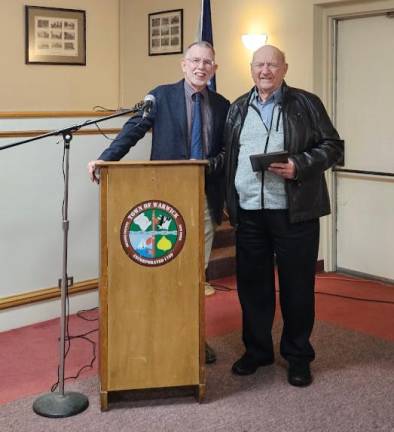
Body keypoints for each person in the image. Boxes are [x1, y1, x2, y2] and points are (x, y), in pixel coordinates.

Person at [88, 41, 230, 364]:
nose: (201, 67)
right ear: (183, 64)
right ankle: (162, 336)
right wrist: (105, 159)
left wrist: (209, 166)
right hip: (165, 204)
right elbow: (134, 129)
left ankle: (193, 339)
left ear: (215, 69)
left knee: (195, 277)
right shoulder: (161, 97)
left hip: (205, 200)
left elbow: (226, 152)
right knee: (166, 272)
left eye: (207, 62)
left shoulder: (223, 105)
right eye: (195, 60)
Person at [223, 45, 343, 386]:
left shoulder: (306, 103)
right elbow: (226, 154)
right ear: (251, 68)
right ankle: (258, 351)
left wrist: (298, 165)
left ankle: (298, 355)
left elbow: (333, 147)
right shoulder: (236, 109)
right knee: (253, 287)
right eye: (259, 64)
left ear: (284, 68)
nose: (265, 70)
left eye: (272, 64)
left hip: (295, 212)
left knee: (297, 287)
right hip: (249, 213)